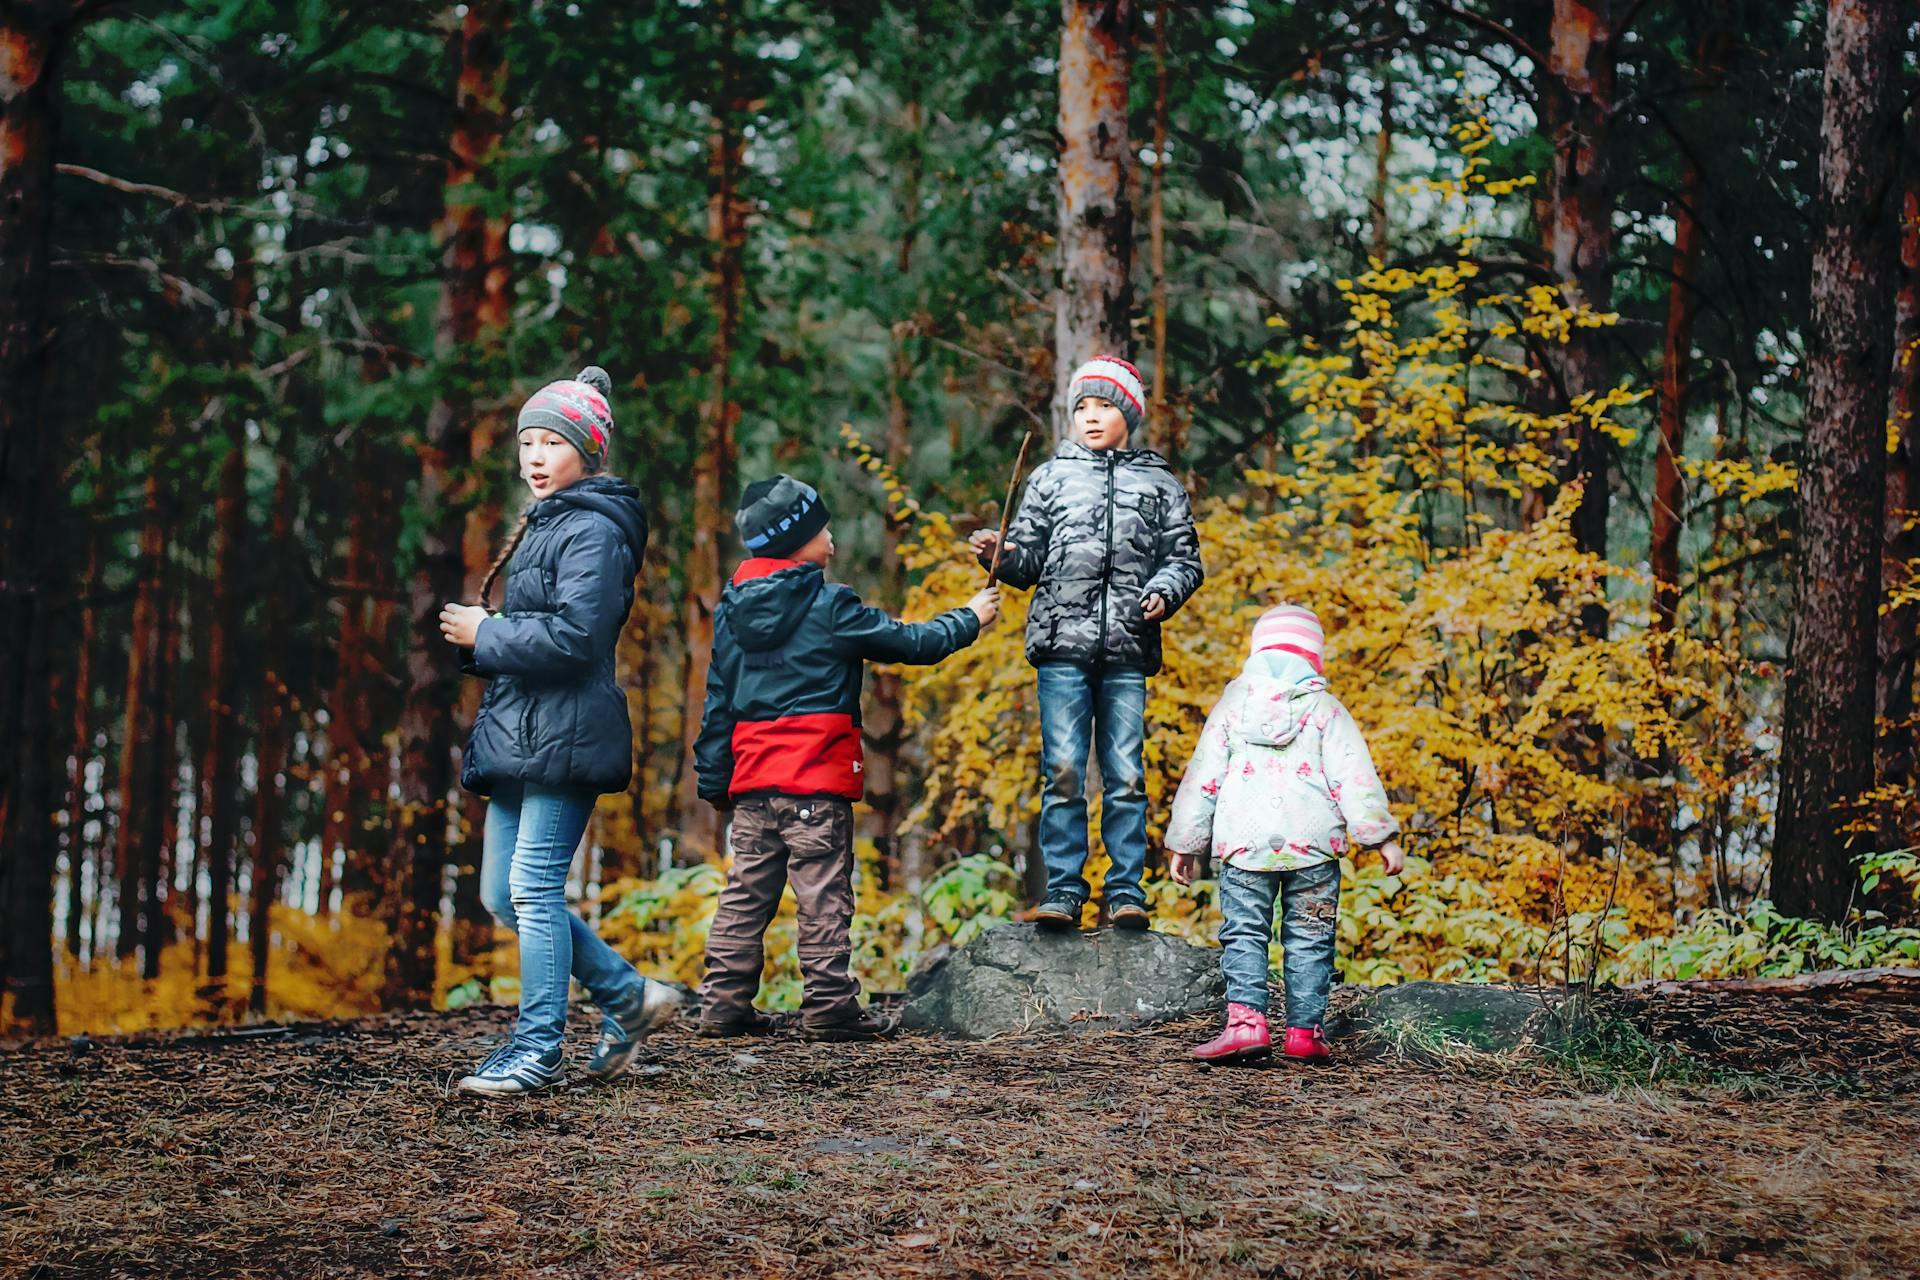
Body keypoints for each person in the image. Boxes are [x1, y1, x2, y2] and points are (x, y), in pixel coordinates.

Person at [437, 366, 681, 1096]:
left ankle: (536, 1050)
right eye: (528, 442)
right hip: (522, 735)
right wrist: (480, 644)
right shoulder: (553, 524)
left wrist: (491, 631)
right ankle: (628, 998)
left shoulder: (595, 531)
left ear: (589, 452)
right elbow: (537, 636)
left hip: (568, 736)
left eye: (553, 442)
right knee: (498, 896)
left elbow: (577, 639)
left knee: (533, 890)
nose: (535, 456)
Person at [695, 474, 999, 1040]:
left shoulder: (732, 610)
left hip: (754, 781)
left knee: (745, 892)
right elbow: (912, 643)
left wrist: (716, 781)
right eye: (821, 527)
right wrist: (971, 617)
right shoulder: (830, 604)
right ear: (798, 540)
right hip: (813, 780)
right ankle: (830, 1007)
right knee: (823, 894)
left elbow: (718, 699)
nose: (831, 537)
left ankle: (722, 1005)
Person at [967, 355, 1203, 930]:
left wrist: (1164, 592)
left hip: (1128, 649)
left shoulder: (1161, 484)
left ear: (1128, 413)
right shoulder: (1049, 478)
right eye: (1082, 407)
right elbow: (1026, 563)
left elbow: (1185, 560)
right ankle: (1064, 891)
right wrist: (999, 555)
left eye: (1104, 406)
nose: (1091, 417)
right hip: (1060, 647)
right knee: (1065, 769)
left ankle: (1126, 892)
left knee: (1124, 772)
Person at [1164, 604, 1404, 1064]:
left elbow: (1203, 776)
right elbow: (1354, 777)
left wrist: (1185, 843)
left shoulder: (1233, 705)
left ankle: (1245, 1025)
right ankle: (1304, 1032)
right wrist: (1379, 838)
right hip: (1313, 847)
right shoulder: (1326, 710)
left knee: (1244, 933)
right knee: (1311, 936)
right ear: (1315, 658)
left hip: (1243, 843)